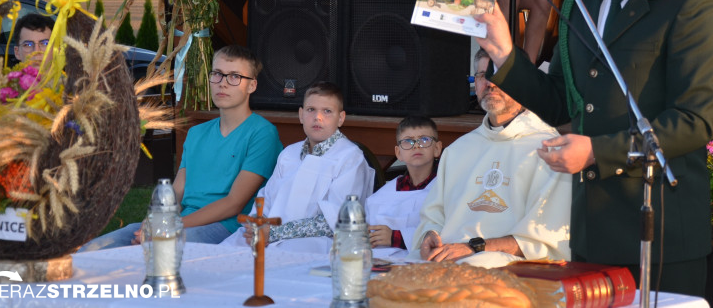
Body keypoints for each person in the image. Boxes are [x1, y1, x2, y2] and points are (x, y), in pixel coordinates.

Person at [476, 0, 713, 296]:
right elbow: (561, 101)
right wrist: (505, 54)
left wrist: (596, 151)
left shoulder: (690, 4)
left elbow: (693, 122)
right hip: (593, 230)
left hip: (660, 230)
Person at [81, 45, 282, 250]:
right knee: (89, 250)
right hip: (182, 223)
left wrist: (169, 227)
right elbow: (176, 191)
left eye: (234, 77)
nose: (223, 84)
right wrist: (155, 223)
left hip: (227, 228)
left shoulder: (262, 133)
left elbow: (234, 203)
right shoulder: (197, 133)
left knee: (153, 250)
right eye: (218, 74)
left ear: (252, 86)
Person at [411, 48, 571, 269]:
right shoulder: (458, 150)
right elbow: (433, 216)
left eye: (499, 74)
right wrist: (431, 236)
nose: (490, 83)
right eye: (482, 75)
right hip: (447, 262)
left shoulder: (550, 150)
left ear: (523, 81)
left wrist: (475, 248)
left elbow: (544, 240)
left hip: (508, 269)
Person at [224, 81, 375, 253]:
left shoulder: (349, 157)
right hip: (267, 235)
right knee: (225, 252)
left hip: (319, 242)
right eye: (311, 110)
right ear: (301, 115)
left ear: (340, 118)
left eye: (327, 111)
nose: (318, 117)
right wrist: (257, 225)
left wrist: (273, 233)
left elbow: (337, 220)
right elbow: (266, 199)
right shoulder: (289, 153)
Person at [365, 115, 443, 257]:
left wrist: (396, 237)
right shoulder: (381, 196)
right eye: (408, 141)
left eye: (424, 139)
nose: (416, 146)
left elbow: (448, 230)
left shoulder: (445, 187)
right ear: (398, 153)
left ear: (437, 148)